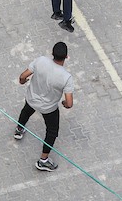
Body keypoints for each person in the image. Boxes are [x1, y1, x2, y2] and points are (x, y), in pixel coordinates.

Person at [15, 41, 76, 173]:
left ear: (52, 53)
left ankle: (19, 129)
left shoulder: (41, 61)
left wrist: (23, 81)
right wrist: (64, 104)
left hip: (32, 98)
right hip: (49, 107)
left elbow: (22, 76)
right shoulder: (66, 77)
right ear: (66, 57)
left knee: (26, 111)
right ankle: (43, 160)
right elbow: (69, 103)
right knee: (52, 131)